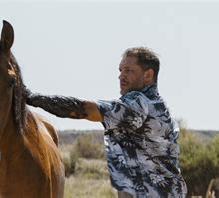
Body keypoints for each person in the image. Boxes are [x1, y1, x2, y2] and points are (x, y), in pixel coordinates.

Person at [24, 47, 187, 198]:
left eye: (129, 70)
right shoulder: (158, 106)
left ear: (148, 75)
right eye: (120, 70)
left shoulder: (139, 103)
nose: (121, 76)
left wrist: (32, 98)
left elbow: (86, 109)